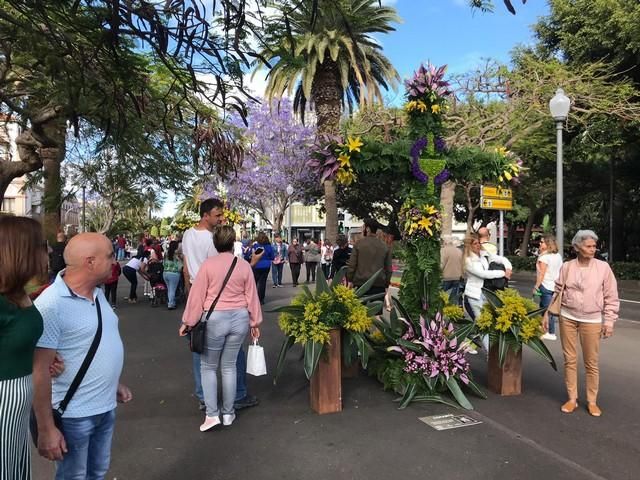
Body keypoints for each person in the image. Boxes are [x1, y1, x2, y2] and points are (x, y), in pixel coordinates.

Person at [32, 233, 132, 479]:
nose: (114, 261)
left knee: (97, 472)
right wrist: (46, 429)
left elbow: (91, 345)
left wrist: (112, 381)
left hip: (104, 406)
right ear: (90, 262)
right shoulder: (51, 305)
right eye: (109, 256)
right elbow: (39, 371)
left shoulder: (97, 295)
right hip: (74, 414)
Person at [179, 226, 263, 431]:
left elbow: (197, 296)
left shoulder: (208, 265)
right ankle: (228, 413)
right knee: (229, 367)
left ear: (215, 243)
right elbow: (252, 295)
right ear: (233, 241)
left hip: (215, 319)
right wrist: (255, 322)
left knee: (208, 367)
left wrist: (188, 322)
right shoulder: (243, 265)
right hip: (240, 318)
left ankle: (212, 414)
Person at [551, 230, 619, 417]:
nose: (592, 249)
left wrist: (609, 321)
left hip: (592, 319)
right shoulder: (567, 266)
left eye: (594, 246)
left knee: (591, 362)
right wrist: (547, 315)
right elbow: (558, 290)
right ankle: (572, 398)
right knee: (570, 360)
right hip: (568, 317)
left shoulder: (603, 268)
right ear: (577, 247)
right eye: (588, 246)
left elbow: (611, 296)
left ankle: (592, 401)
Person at [0, 216, 46, 480]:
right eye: (41, 245)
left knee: (14, 467)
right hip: (4, 398)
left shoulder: (18, 293)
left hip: (18, 398)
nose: (48, 251)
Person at [181, 198, 225, 410]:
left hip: (195, 294)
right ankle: (231, 394)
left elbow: (186, 267)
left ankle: (202, 395)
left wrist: (189, 296)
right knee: (223, 349)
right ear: (205, 215)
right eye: (217, 215)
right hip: (210, 296)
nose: (221, 219)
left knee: (198, 347)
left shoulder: (188, 234)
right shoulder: (212, 240)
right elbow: (216, 272)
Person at [462, 233, 512, 321]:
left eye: (478, 243)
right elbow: (483, 274)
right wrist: (502, 273)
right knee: (482, 321)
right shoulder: (468, 260)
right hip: (475, 295)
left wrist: (508, 268)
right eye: (475, 244)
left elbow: (502, 259)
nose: (478, 245)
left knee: (489, 321)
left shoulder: (484, 254)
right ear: (469, 246)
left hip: (487, 292)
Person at [346, 219, 393, 297]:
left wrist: (350, 280)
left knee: (360, 308)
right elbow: (388, 269)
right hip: (378, 284)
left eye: (364, 227)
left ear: (368, 229)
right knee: (377, 308)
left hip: (360, 284)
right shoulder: (384, 246)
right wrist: (386, 284)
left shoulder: (358, 244)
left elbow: (352, 265)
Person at [534, 234, 563, 341]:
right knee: (544, 306)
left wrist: (536, 286)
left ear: (548, 244)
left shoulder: (544, 257)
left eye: (542, 242)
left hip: (545, 285)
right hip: (555, 285)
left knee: (547, 309)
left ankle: (551, 332)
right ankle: (543, 327)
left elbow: (541, 274)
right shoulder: (558, 256)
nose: (540, 244)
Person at [251, 231, 275, 303]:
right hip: (266, 265)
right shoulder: (269, 246)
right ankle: (261, 299)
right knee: (262, 282)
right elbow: (272, 257)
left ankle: (253, 298)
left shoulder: (255, 246)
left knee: (255, 282)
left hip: (257, 265)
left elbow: (251, 255)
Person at [440, 236, 463, 306]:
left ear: (445, 242)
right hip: (458, 278)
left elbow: (441, 264)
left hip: (446, 278)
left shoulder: (443, 250)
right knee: (455, 297)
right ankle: (456, 312)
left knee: (442, 296)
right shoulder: (459, 251)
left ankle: (440, 312)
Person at [163, 240, 183, 310]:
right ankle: (171, 304)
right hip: (174, 273)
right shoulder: (177, 255)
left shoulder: (166, 253)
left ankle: (172, 302)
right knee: (173, 289)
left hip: (165, 273)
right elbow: (180, 266)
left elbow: (163, 263)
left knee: (169, 289)